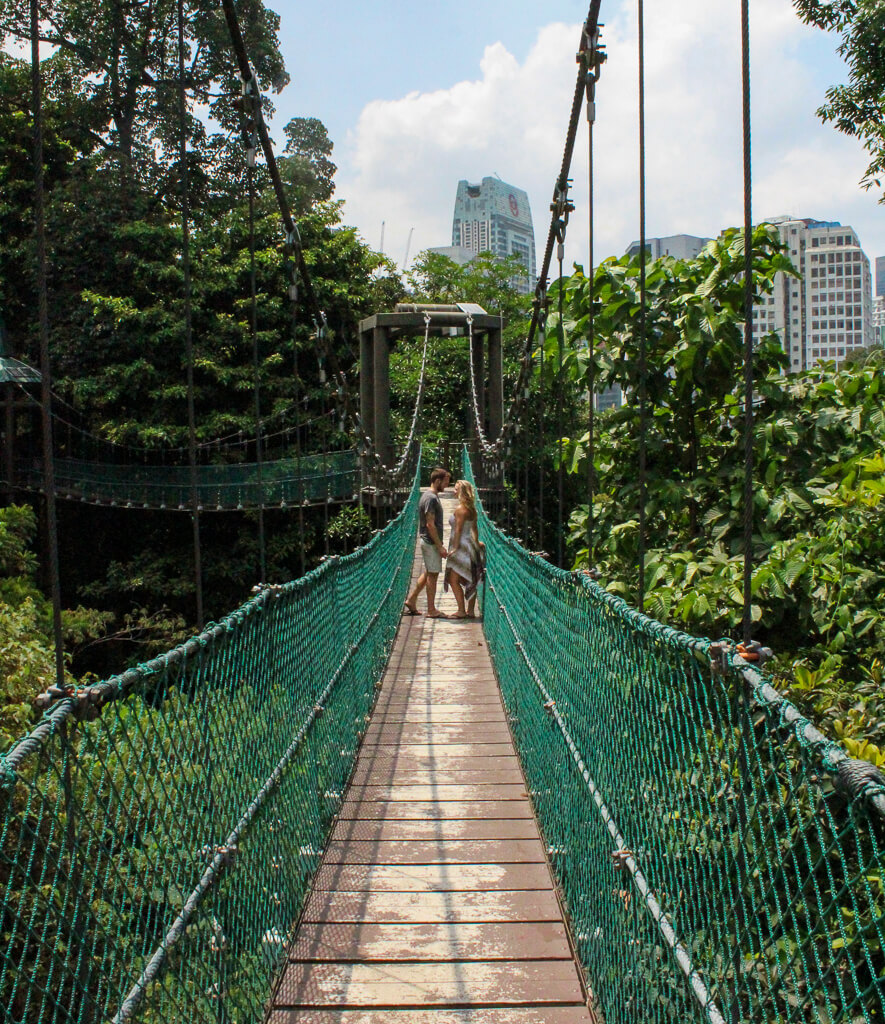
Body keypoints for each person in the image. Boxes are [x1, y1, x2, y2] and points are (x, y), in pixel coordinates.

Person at [404, 466, 450, 618]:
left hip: (427, 540)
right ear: (437, 481)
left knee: (429, 572)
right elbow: (430, 524)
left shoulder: (428, 496)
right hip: (430, 542)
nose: (446, 486)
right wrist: (440, 546)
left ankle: (411, 599)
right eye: (445, 482)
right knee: (433, 575)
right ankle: (431, 609)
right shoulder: (431, 498)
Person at [444, 479, 482, 619]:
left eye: (456, 489)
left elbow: (458, 530)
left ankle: (461, 610)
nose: (453, 491)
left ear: (462, 492)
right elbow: (474, 529)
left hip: (461, 547)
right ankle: (470, 611)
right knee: (471, 578)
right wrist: (477, 543)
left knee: (453, 579)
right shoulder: (472, 509)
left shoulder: (460, 510)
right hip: (470, 545)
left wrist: (454, 548)